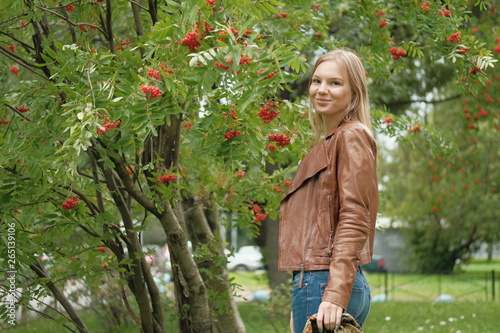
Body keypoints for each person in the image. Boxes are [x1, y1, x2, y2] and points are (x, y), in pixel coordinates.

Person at [278, 48, 378, 333]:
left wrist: (332, 294)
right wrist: (304, 293)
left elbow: (355, 216)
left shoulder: (351, 136)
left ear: (354, 92)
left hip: (326, 284)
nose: (322, 90)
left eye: (335, 83)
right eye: (316, 81)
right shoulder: (332, 140)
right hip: (318, 285)